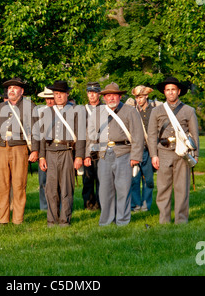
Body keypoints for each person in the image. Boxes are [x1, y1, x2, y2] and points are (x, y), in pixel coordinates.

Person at [85, 82, 144, 226]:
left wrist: (136, 156)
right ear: (104, 98)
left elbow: (138, 135)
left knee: (123, 188)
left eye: (114, 95)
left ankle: (122, 220)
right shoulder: (97, 113)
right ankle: (106, 220)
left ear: (120, 96)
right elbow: (91, 135)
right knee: (105, 190)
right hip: (104, 154)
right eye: (108, 96)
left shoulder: (130, 111)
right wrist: (87, 154)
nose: (111, 98)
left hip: (124, 153)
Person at [0, 78, 39, 225]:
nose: (12, 90)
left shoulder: (30, 108)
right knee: (0, 185)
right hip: (1, 149)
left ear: (21, 91)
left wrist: (35, 150)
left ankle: (18, 219)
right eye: (9, 88)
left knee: (19, 184)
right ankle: (3, 218)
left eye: (15, 88)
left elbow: (35, 131)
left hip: (20, 149)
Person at [147, 77, 199, 224]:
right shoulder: (157, 111)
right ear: (164, 92)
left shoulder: (189, 110)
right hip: (163, 152)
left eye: (173, 90)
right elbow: (151, 135)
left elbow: (194, 135)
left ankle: (181, 220)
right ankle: (164, 219)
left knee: (182, 188)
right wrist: (153, 155)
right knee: (163, 188)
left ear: (179, 91)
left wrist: (195, 155)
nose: (170, 92)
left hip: (182, 153)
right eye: (168, 90)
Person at [39, 80, 86, 227]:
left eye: (61, 94)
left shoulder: (76, 111)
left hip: (67, 152)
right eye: (56, 94)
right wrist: (41, 156)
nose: (58, 97)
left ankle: (65, 220)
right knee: (51, 189)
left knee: (66, 188)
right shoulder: (46, 113)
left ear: (67, 94)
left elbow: (81, 135)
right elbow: (41, 136)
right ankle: (51, 220)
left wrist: (79, 156)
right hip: (50, 151)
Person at [127, 85, 159, 212]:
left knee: (148, 180)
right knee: (134, 179)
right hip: (135, 149)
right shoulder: (131, 109)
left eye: (140, 97)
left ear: (146, 96)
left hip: (150, 149)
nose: (138, 100)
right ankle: (135, 205)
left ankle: (146, 204)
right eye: (136, 97)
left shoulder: (155, 109)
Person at [82, 82, 103, 210]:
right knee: (88, 179)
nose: (91, 95)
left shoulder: (105, 108)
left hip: (102, 148)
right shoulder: (82, 110)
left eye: (94, 92)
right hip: (87, 148)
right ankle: (88, 204)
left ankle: (101, 203)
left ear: (99, 94)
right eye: (89, 92)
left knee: (102, 178)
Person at [36, 87, 55, 210]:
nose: (49, 101)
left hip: (58, 148)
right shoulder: (40, 112)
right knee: (43, 180)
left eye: (51, 98)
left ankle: (57, 205)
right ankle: (44, 206)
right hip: (43, 148)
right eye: (47, 98)